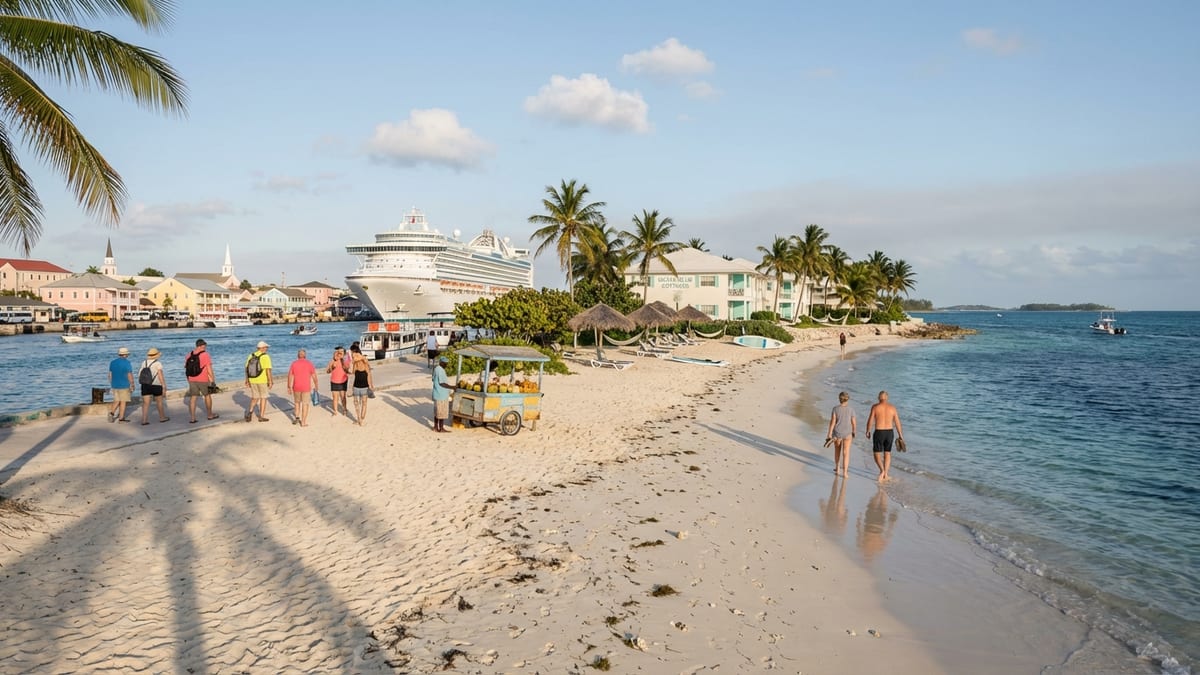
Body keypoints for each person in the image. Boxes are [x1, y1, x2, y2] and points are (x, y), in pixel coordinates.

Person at [865, 390, 904, 482]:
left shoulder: (875, 407)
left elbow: (870, 420)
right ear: (887, 398)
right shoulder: (893, 408)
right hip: (890, 432)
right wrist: (900, 434)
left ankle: (882, 471)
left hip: (879, 432)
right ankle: (886, 474)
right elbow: (897, 422)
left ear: (879, 398)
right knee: (887, 453)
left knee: (876, 453)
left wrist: (868, 430)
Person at [186, 338, 218, 423]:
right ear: (200, 346)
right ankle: (210, 415)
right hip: (203, 379)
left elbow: (186, 368)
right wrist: (213, 380)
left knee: (193, 398)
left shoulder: (189, 354)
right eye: (204, 346)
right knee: (207, 396)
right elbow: (209, 369)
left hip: (192, 379)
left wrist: (188, 379)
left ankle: (192, 418)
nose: (205, 347)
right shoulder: (205, 355)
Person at [825, 391, 857, 477]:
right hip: (847, 434)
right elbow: (854, 422)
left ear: (839, 399)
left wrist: (829, 434)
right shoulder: (851, 410)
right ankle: (845, 472)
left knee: (837, 451)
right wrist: (854, 431)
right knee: (846, 453)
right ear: (847, 399)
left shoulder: (835, 409)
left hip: (837, 433)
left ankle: (837, 468)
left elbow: (832, 422)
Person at [287, 348, 319, 427]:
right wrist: (316, 384)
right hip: (306, 387)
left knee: (297, 402)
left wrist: (289, 386)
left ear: (298, 356)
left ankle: (297, 417)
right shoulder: (309, 363)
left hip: (296, 386)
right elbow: (314, 375)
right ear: (305, 356)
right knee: (305, 404)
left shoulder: (294, 363)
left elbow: (290, 375)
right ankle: (303, 422)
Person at [244, 340, 274, 422]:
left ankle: (250, 412)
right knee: (263, 398)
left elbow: (246, 369)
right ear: (263, 348)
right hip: (262, 380)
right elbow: (268, 370)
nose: (267, 348)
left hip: (252, 379)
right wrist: (270, 381)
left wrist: (247, 380)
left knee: (255, 397)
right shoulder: (265, 356)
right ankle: (261, 416)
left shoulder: (251, 355)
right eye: (266, 347)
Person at [139, 347, 168, 425]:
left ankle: (144, 420)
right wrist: (164, 385)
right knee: (159, 402)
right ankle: (162, 417)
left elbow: (140, 374)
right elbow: (160, 375)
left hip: (145, 385)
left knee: (145, 403)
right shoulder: (158, 363)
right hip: (156, 385)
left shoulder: (144, 362)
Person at [107, 346, 134, 423]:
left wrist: (112, 383)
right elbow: (129, 374)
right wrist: (132, 384)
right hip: (124, 384)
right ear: (125, 354)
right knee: (123, 401)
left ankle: (111, 413)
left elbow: (110, 375)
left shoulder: (112, 362)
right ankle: (121, 418)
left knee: (116, 400)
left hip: (115, 385)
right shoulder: (127, 363)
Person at [349, 344, 373, 426]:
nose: (352, 355)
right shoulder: (357, 361)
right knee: (359, 403)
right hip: (358, 385)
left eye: (352, 352)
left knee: (361, 402)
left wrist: (370, 384)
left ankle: (361, 419)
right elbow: (352, 373)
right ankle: (360, 419)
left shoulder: (363, 360)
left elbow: (368, 372)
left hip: (362, 385)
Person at [431, 355, 454, 433]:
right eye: (445, 363)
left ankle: (435, 427)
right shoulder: (440, 370)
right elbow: (442, 383)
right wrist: (452, 387)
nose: (446, 365)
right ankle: (441, 428)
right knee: (441, 412)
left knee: (437, 412)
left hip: (436, 393)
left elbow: (433, 379)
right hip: (441, 395)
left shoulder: (436, 369)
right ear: (442, 363)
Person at [326, 345, 350, 417]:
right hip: (334, 381)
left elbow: (348, 370)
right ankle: (335, 411)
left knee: (343, 397)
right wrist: (332, 367)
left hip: (343, 380)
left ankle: (344, 409)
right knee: (335, 397)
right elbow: (327, 371)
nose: (339, 354)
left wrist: (343, 362)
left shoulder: (345, 361)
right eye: (338, 352)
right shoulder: (332, 361)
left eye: (341, 352)